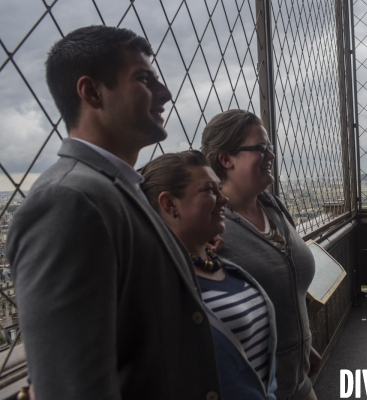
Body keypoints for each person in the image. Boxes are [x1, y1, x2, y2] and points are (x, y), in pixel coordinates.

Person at [6, 26, 220, 399]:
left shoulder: (112, 191)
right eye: (143, 78)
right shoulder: (67, 201)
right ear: (91, 92)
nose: (166, 93)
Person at [201, 110, 321, 400]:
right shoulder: (208, 226)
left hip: (299, 380)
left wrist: (302, 345)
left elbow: (286, 285)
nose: (270, 155)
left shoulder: (274, 206)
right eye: (260, 148)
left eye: (269, 147)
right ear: (226, 159)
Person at [140, 150, 278, 400]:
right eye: (210, 191)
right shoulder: (153, 288)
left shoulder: (225, 267)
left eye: (219, 189)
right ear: (170, 204)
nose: (223, 199)